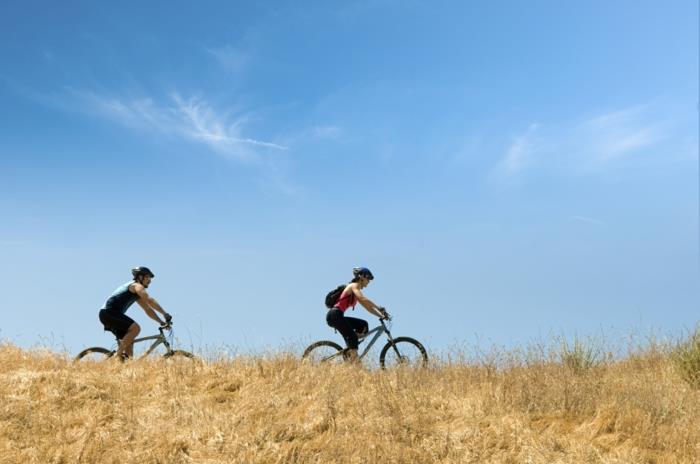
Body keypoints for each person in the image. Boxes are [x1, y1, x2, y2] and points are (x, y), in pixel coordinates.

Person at [98, 266, 171, 360]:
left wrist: (161, 322)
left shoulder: (136, 294)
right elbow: (149, 300)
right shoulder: (136, 286)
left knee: (129, 342)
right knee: (136, 328)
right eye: (148, 277)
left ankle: (127, 366)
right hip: (108, 313)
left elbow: (148, 310)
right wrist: (165, 313)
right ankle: (117, 355)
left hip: (109, 314)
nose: (150, 280)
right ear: (140, 277)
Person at [326, 267, 389, 362]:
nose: (369, 281)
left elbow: (368, 307)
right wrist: (379, 307)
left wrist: (381, 315)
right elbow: (363, 299)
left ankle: (350, 348)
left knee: (363, 325)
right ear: (361, 277)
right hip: (335, 315)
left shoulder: (356, 290)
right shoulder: (354, 286)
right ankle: (354, 357)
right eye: (368, 278)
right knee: (353, 338)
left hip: (337, 316)